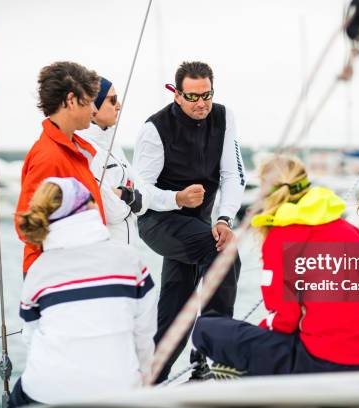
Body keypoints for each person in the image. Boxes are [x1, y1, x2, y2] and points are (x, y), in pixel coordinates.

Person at [191, 156, 359, 377]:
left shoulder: (281, 237)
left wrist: (253, 342)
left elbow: (285, 321)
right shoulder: (347, 228)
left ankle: (243, 373)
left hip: (326, 361)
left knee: (206, 329)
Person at [133, 61, 246, 382]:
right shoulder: (154, 129)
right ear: (177, 94)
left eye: (206, 95)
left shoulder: (224, 117)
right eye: (193, 97)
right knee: (223, 253)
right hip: (158, 222)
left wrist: (224, 218)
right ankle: (218, 354)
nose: (201, 104)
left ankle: (148, 381)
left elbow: (232, 174)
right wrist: (177, 199)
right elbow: (140, 191)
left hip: (199, 223)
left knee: (175, 308)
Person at [9, 177, 156, 407]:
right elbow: (144, 335)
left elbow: (30, 336)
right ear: (87, 207)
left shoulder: (38, 270)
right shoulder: (129, 259)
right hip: (118, 391)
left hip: (47, 393)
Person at [15, 61, 105, 274]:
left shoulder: (74, 150)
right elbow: (26, 226)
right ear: (71, 100)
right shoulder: (48, 157)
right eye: (90, 101)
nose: (94, 110)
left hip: (77, 266)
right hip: (55, 274)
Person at [78, 76, 148, 245]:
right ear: (94, 106)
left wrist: (125, 195)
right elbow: (111, 211)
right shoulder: (85, 149)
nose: (119, 105)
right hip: (107, 255)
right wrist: (132, 197)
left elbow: (145, 199)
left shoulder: (113, 144)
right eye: (113, 100)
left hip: (127, 253)